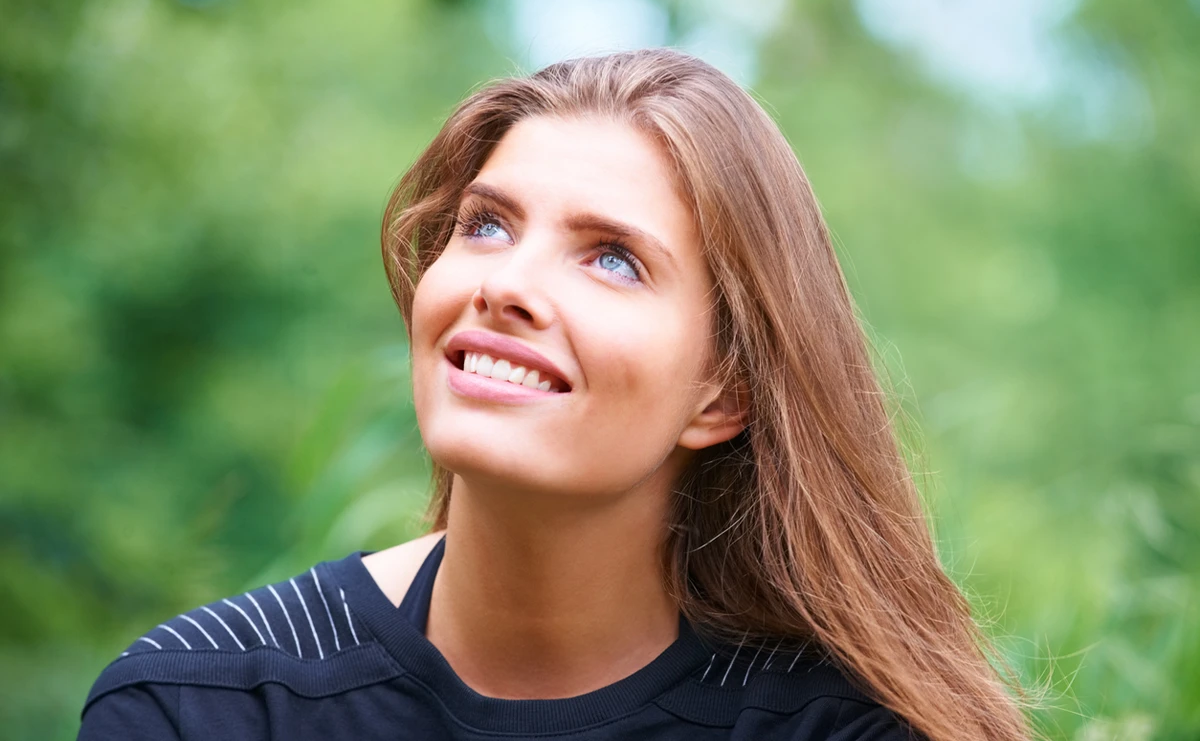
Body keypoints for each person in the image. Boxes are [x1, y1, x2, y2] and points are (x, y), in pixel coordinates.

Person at [78, 49, 1030, 741]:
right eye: (486, 226)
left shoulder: (840, 729)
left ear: (722, 392)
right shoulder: (201, 706)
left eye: (611, 258)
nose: (505, 284)